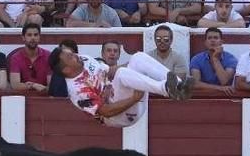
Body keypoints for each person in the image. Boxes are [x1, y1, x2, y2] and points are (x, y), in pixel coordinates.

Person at [48, 45, 192, 128]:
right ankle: (165, 89)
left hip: (124, 96)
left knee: (138, 57)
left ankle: (179, 86)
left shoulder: (84, 59)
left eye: (72, 53)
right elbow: (106, 112)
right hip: (120, 116)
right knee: (122, 73)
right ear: (66, 70)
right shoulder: (77, 92)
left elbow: (109, 71)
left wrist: (133, 67)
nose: (76, 55)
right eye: (70, 57)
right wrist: (134, 99)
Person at [190, 27, 237, 94]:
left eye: (215, 38)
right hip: (203, 96)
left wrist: (215, 59)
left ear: (221, 42)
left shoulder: (231, 59)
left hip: (226, 96)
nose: (212, 40)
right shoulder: (196, 59)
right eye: (209, 38)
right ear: (205, 42)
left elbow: (224, 81)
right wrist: (219, 88)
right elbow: (195, 83)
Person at [9, 23, 52, 91]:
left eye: (36, 35)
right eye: (29, 35)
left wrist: (43, 89)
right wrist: (33, 85)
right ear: (23, 37)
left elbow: (51, 85)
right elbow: (15, 85)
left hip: (44, 96)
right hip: (22, 97)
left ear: (39, 37)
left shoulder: (49, 56)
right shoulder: (15, 58)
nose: (33, 38)